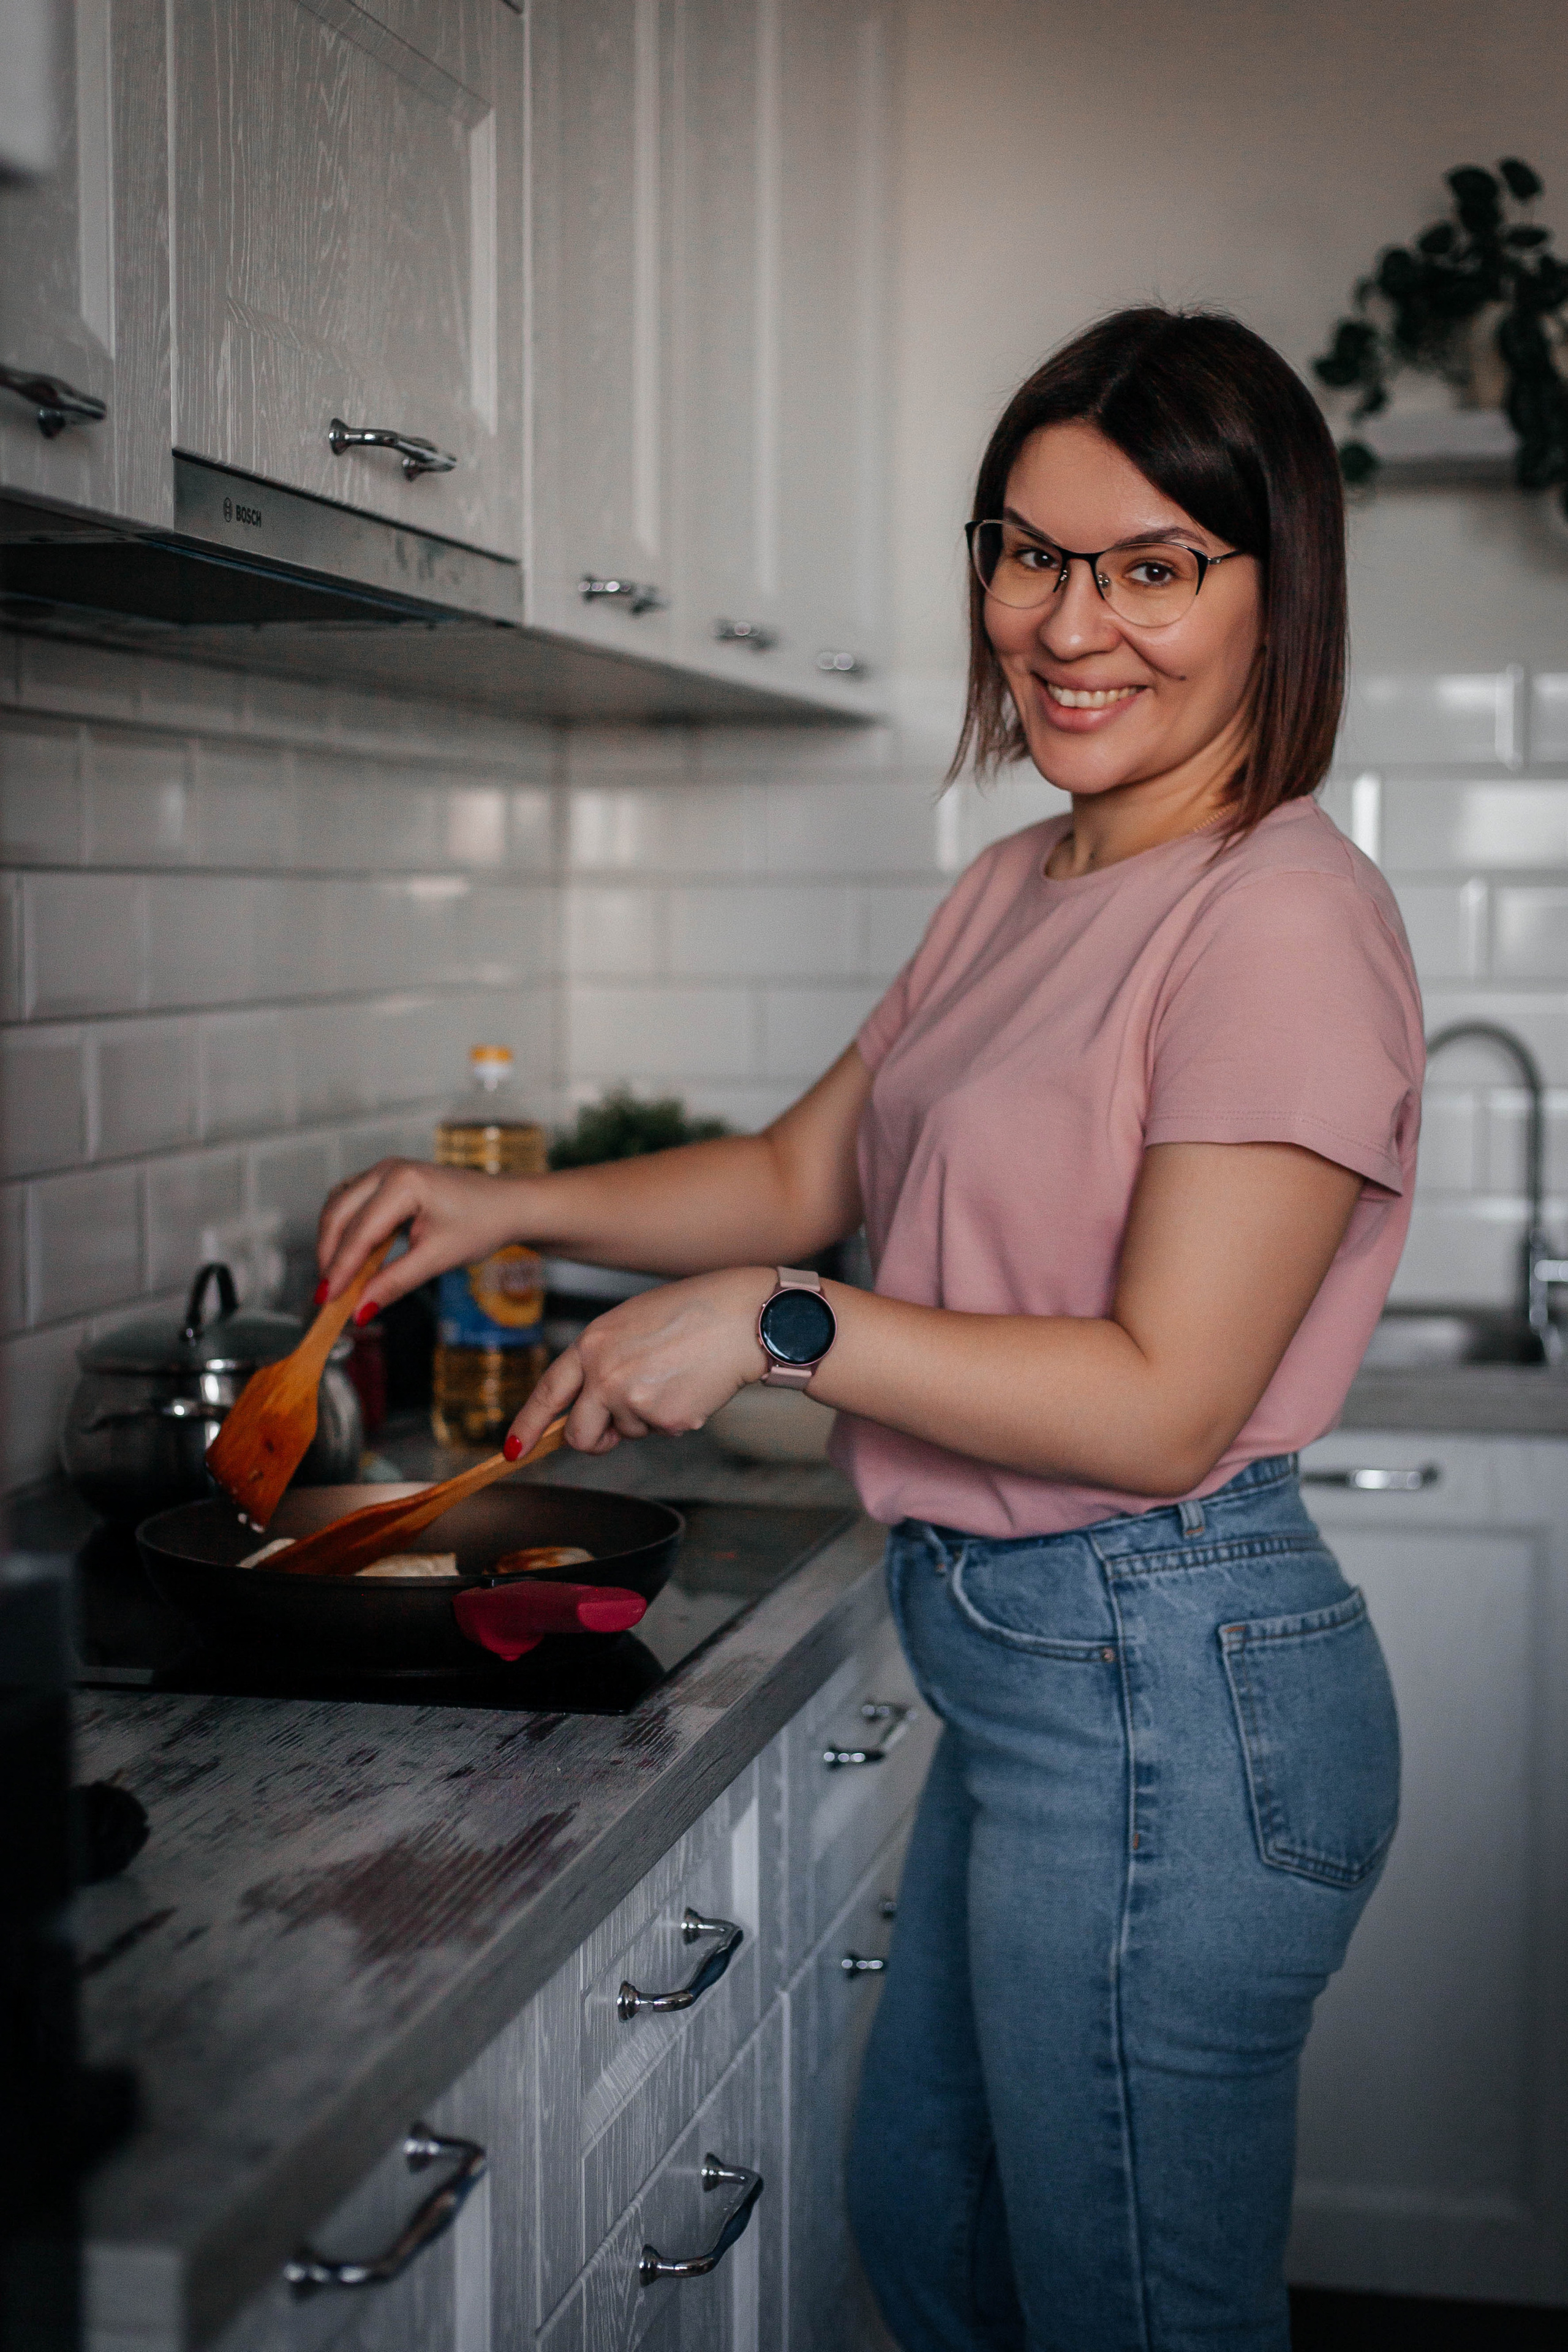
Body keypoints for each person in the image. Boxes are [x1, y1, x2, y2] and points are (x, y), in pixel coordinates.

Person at [315, 307, 1422, 2351]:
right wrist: (512, 1202)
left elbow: (1169, 1406)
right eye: (1026, 550)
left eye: (1154, 566)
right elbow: (796, 1171)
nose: (1067, 621)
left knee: (1126, 2320)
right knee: (945, 2243)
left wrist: (779, 1328)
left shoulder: (1277, 915)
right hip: (1044, 1672)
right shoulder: (1019, 886)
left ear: (1280, 591)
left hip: (1171, 1673)